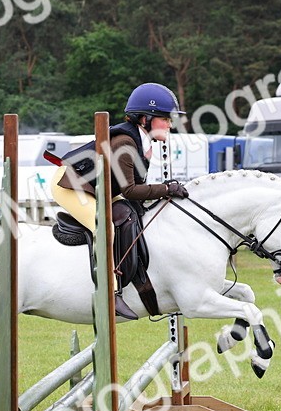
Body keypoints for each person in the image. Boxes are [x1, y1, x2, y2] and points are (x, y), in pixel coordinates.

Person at [51, 82, 190, 319]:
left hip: (97, 187)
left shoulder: (142, 142)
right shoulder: (125, 143)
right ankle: (111, 292)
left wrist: (162, 192)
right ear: (146, 119)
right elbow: (131, 190)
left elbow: (132, 191)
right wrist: (167, 189)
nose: (170, 124)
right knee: (105, 228)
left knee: (129, 216)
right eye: (165, 119)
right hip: (70, 186)